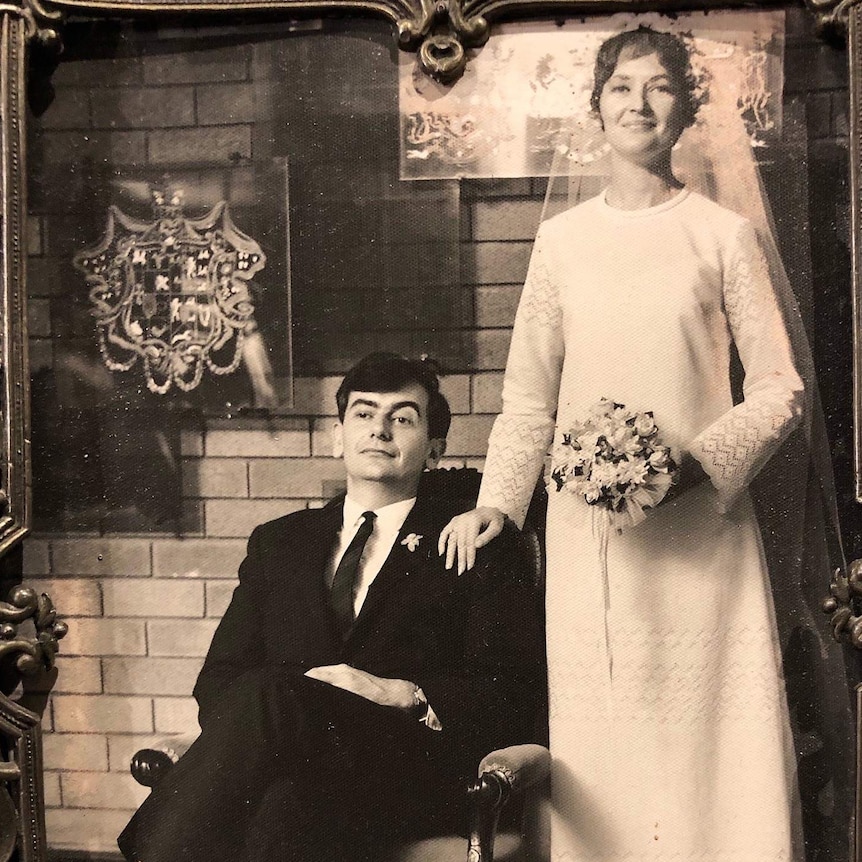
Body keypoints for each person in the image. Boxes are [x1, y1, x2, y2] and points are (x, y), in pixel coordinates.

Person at [439, 25, 851, 862]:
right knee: (608, 736)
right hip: (597, 543)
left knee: (710, 741)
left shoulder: (722, 237)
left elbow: (781, 388)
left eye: (660, 87)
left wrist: (695, 469)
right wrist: (498, 504)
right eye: (622, 87)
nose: (639, 103)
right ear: (596, 108)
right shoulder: (562, 244)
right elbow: (529, 395)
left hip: (703, 536)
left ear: (686, 110)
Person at [117, 351, 544, 862]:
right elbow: (218, 681)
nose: (380, 430)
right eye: (363, 414)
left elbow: (515, 691)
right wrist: (296, 714)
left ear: (435, 450)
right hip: (304, 776)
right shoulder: (279, 544)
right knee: (282, 806)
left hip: (405, 773)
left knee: (275, 696)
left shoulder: (471, 539)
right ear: (336, 436)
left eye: (403, 418)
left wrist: (403, 693)